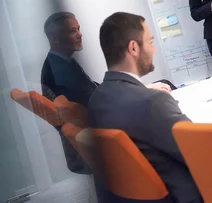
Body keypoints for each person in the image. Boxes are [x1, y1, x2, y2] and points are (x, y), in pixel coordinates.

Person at [88, 12, 203, 203]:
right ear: (133, 47)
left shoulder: (97, 99)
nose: (154, 49)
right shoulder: (152, 102)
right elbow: (200, 151)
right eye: (150, 42)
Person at [40, 12, 171, 173]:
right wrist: (138, 91)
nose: (80, 34)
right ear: (54, 38)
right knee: (160, 107)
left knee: (161, 88)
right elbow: (96, 102)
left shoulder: (60, 62)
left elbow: (94, 91)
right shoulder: (60, 71)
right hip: (100, 138)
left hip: (96, 130)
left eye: (79, 29)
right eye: (72, 31)